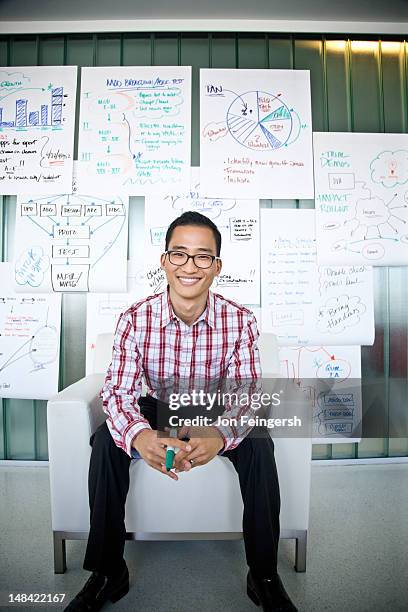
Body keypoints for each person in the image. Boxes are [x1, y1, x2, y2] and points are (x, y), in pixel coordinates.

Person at [64, 211, 297, 612]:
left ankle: (263, 575)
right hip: (158, 407)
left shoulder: (240, 321)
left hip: (214, 407)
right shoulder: (134, 319)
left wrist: (220, 434)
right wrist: (139, 434)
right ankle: (107, 571)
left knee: (260, 445)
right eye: (179, 254)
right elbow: (117, 391)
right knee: (106, 440)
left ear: (217, 266)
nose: (190, 267)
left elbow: (247, 392)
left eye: (203, 256)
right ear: (164, 261)